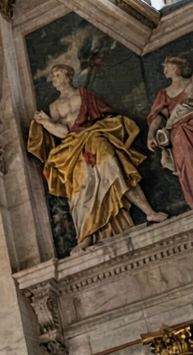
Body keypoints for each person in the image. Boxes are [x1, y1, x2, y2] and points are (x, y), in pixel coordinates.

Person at [28, 64, 167, 252]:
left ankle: (149, 212)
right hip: (72, 148)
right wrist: (46, 122)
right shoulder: (54, 106)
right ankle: (86, 236)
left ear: (69, 76)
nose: (54, 80)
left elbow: (101, 115)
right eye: (53, 76)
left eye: (57, 75)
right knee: (80, 189)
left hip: (94, 136)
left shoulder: (84, 94)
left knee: (116, 170)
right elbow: (62, 132)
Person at [148, 56, 193, 208]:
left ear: (175, 68)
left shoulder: (191, 84)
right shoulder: (164, 94)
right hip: (179, 131)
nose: (165, 70)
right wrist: (150, 136)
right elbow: (158, 117)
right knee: (185, 156)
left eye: (167, 67)